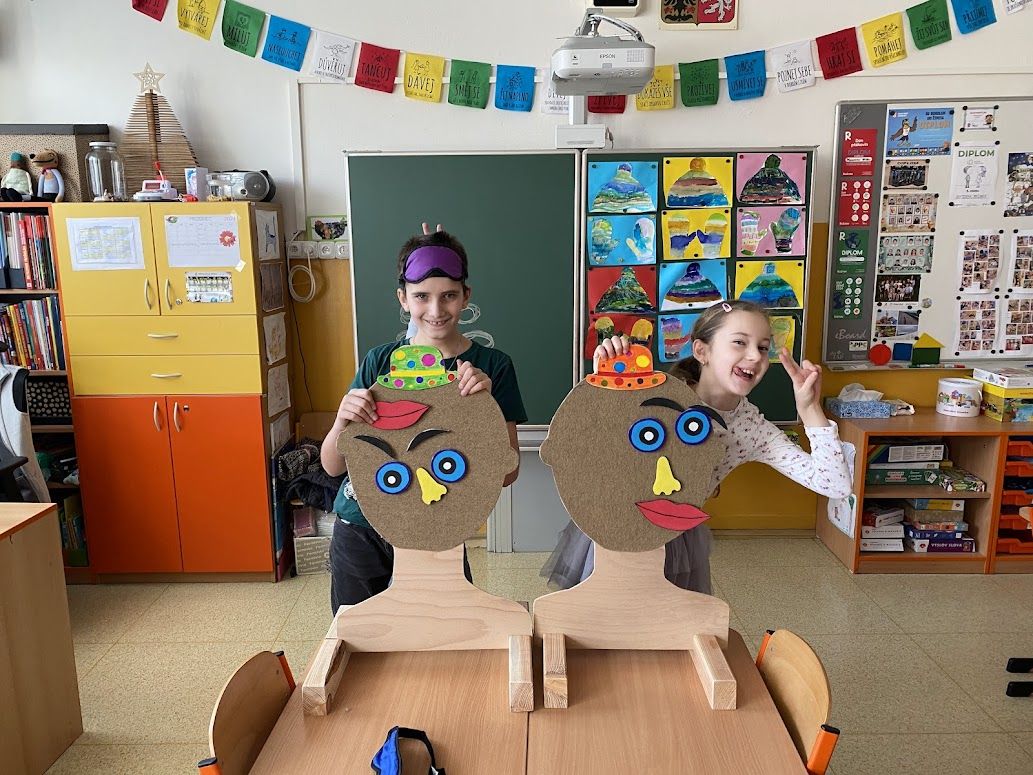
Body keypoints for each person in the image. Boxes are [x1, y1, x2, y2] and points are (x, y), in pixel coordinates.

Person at [542, 298, 852, 593]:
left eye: (762, 347)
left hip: (674, 533)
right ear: (702, 351)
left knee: (664, 621)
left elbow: (835, 484)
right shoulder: (655, 394)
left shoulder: (751, 429)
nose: (756, 356)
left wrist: (809, 408)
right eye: (740, 342)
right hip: (614, 520)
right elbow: (596, 440)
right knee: (600, 616)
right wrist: (604, 376)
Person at [321, 226, 527, 612]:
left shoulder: (491, 367)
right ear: (403, 298)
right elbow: (333, 466)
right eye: (421, 296)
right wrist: (340, 421)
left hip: (438, 521)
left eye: (449, 295)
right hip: (362, 523)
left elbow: (507, 472)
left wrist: (486, 410)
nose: (435, 310)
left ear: (466, 295)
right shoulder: (380, 361)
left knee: (447, 627)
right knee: (360, 629)